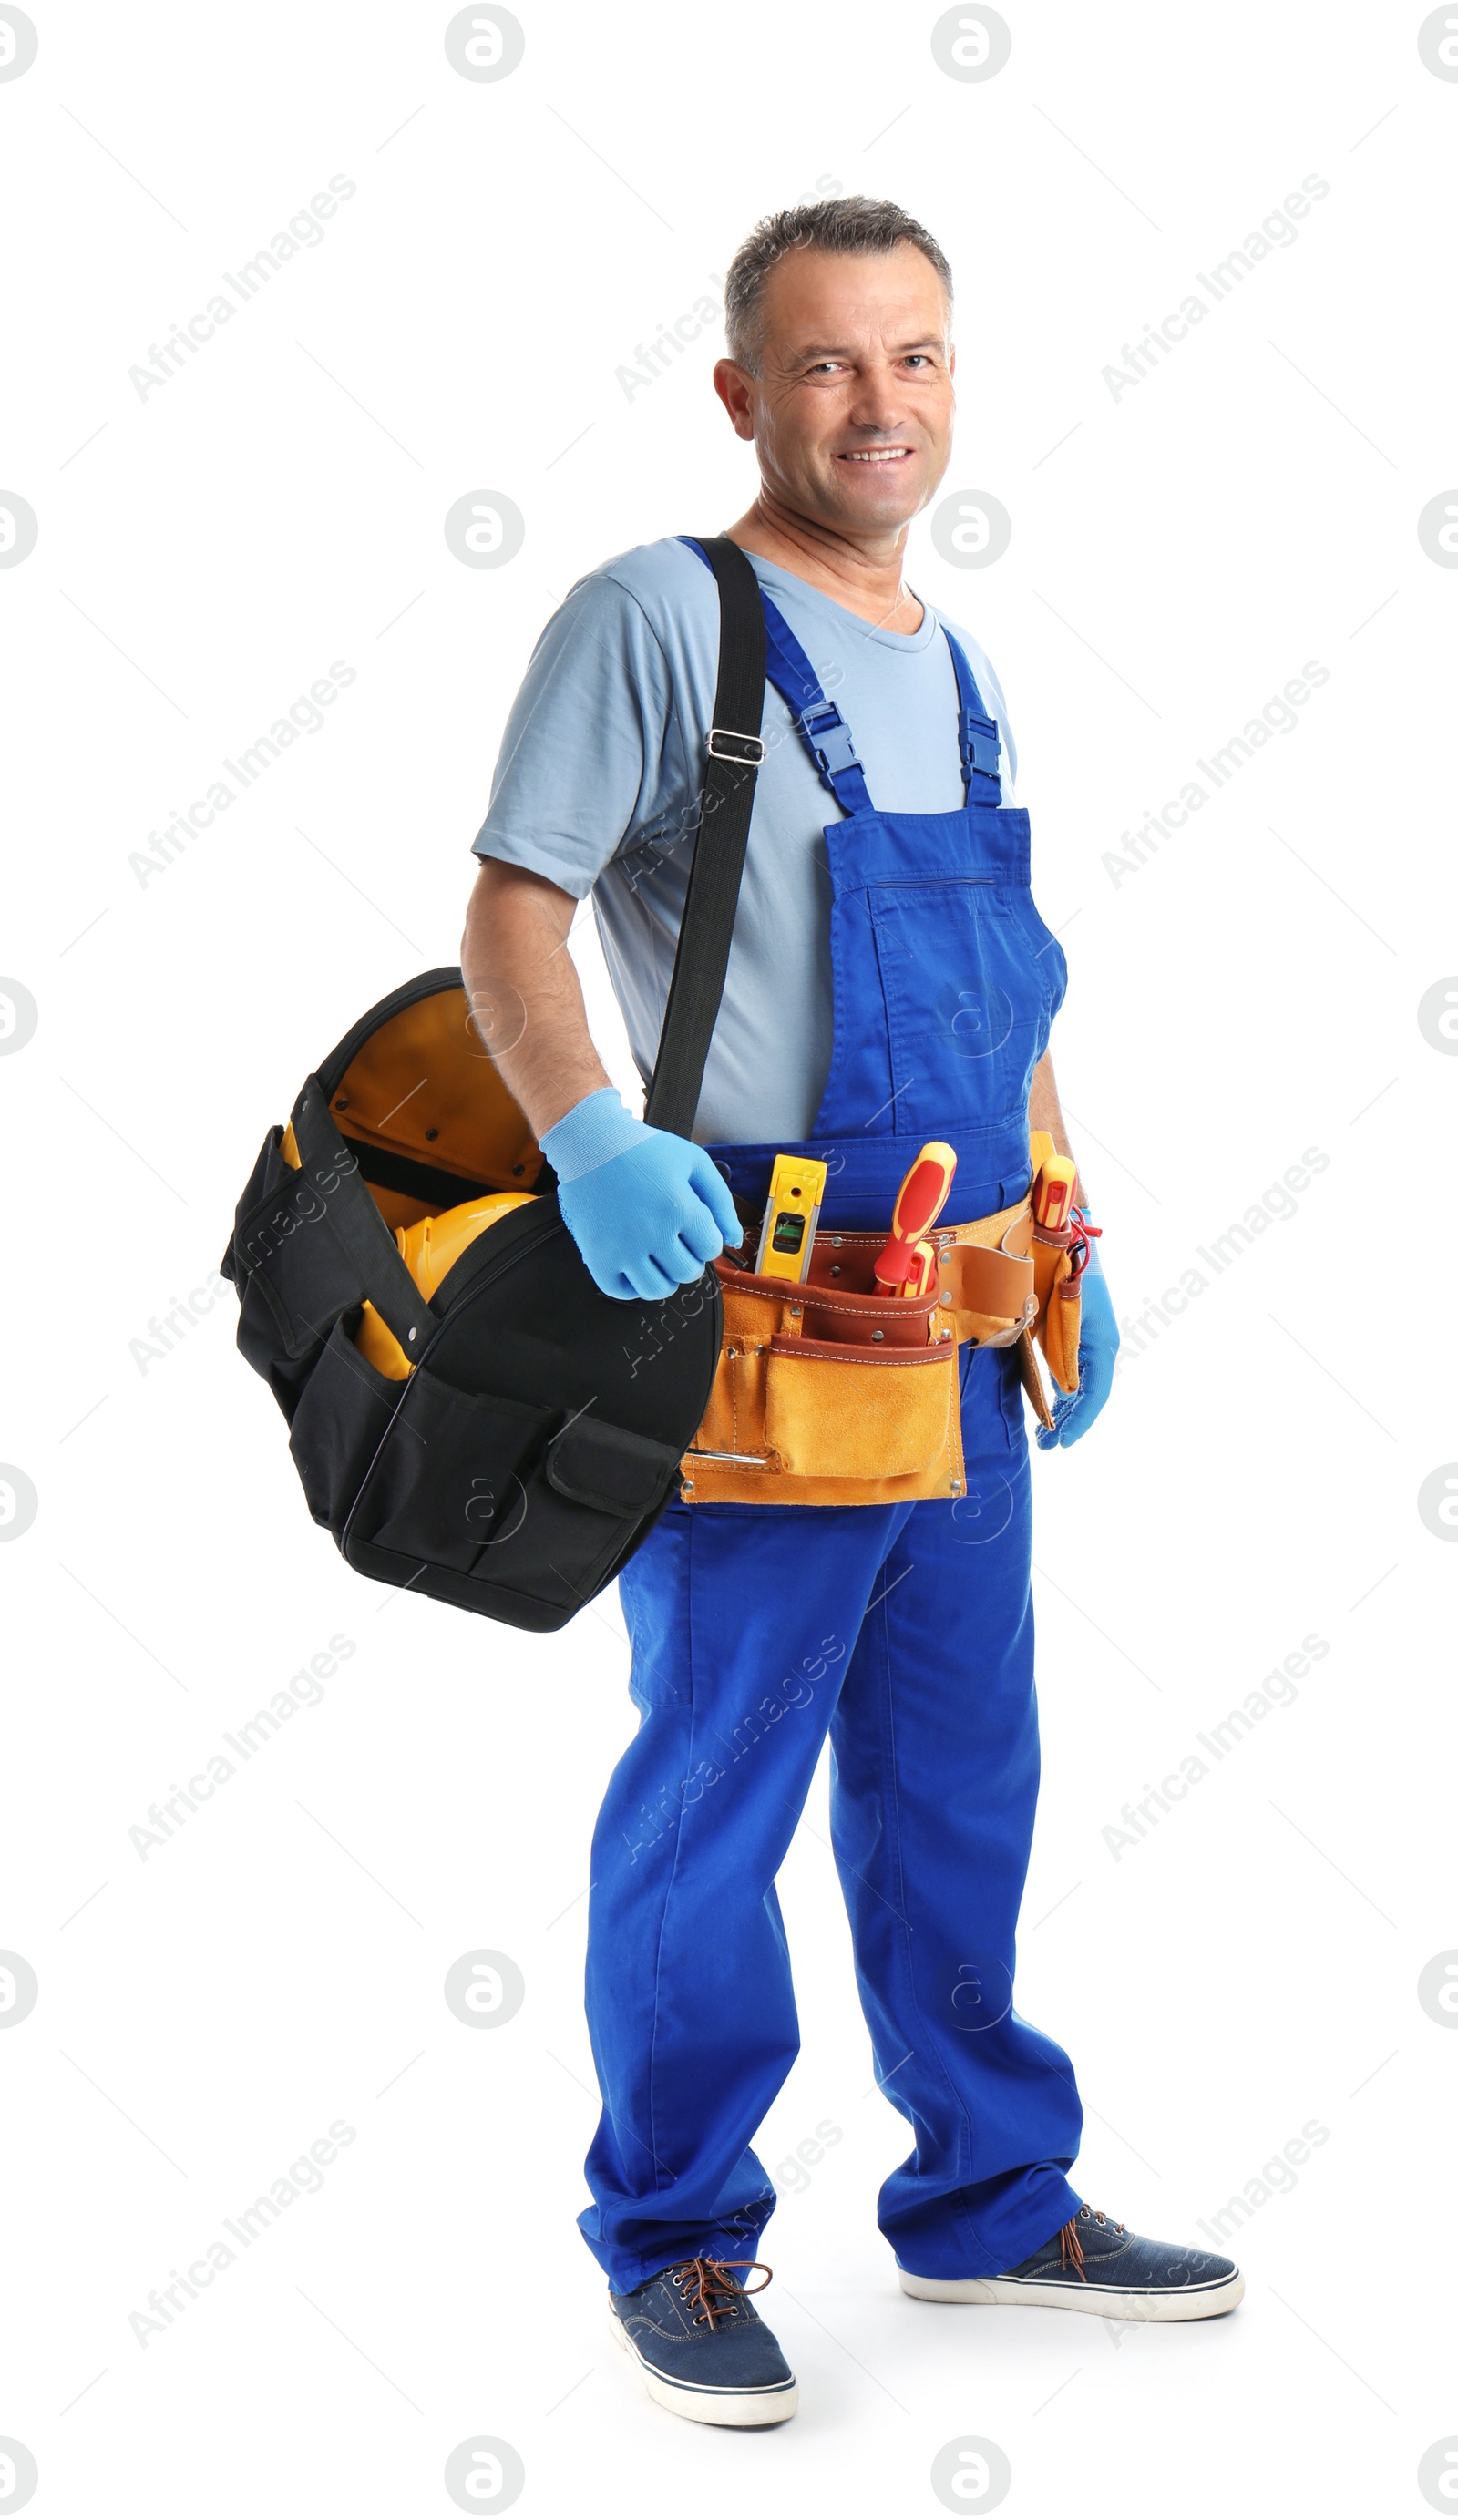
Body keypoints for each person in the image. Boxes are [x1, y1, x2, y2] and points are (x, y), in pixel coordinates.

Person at [460, 196, 1241, 2431]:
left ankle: (991, 2195)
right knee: (715, 1791)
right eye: (821, 364)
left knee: (953, 1781)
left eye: (909, 359)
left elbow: (1000, 998)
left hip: (962, 1339)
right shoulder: (658, 619)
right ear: (741, 392)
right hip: (763, 1336)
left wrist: (1065, 1231)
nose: (872, 404)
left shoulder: (962, 663)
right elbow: (514, 913)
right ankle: (678, 2236)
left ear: (952, 383)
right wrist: (590, 1138)